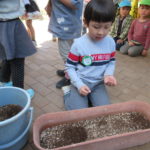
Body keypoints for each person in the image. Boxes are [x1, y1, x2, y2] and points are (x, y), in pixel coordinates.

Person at [63, 0, 117, 110]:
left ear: (112, 24)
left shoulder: (111, 42)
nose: (101, 32)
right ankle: (68, 93)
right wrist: (79, 85)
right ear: (86, 22)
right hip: (81, 81)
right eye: (96, 27)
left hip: (98, 84)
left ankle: (88, 98)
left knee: (105, 110)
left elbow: (111, 61)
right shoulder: (78, 44)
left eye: (106, 27)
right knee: (77, 112)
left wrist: (108, 75)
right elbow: (70, 67)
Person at [0, 0, 37, 98]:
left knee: (6, 56)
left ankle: (3, 83)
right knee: (17, 60)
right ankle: (19, 93)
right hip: (10, 22)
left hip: (4, 22)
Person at [45, 0, 83, 89]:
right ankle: (70, 71)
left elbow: (75, 4)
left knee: (67, 54)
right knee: (69, 53)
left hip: (67, 28)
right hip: (66, 26)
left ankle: (69, 77)